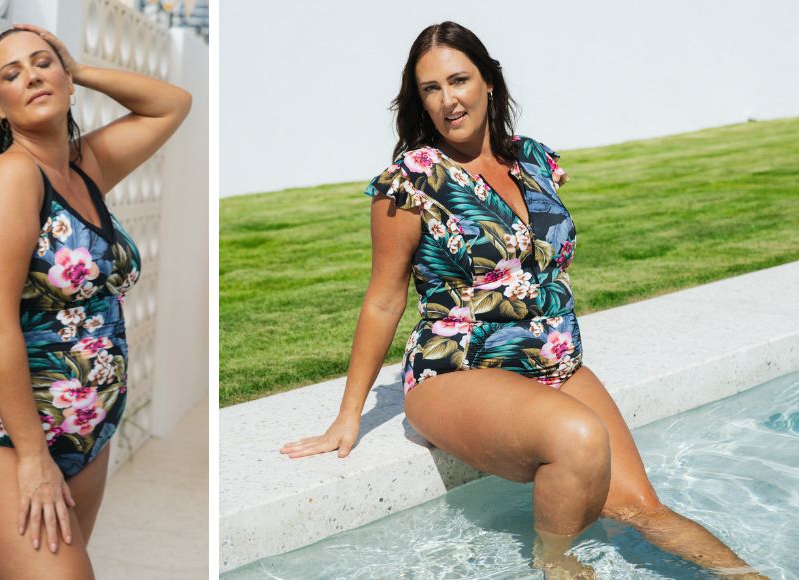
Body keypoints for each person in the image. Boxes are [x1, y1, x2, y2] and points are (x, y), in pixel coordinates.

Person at [280, 21, 765, 579]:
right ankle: (554, 563)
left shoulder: (534, 160)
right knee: (580, 438)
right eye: (430, 89)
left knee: (642, 509)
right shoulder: (413, 181)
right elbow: (384, 299)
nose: (448, 100)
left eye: (459, 80)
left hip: (551, 360)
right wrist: (349, 417)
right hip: (456, 370)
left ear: (489, 82)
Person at [0, 23, 191, 579]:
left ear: (66, 78)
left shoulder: (84, 167)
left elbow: (172, 105)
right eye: (12, 74)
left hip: (85, 429)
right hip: (4, 433)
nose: (31, 76)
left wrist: (79, 69)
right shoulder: (9, 179)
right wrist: (33, 457)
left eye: (42, 63)